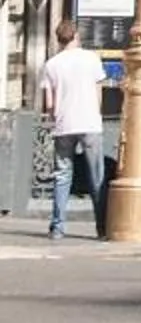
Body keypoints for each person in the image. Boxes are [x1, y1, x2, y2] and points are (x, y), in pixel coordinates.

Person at [39, 20, 106, 239]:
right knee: (96, 176)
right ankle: (102, 227)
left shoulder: (52, 64)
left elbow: (49, 103)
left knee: (62, 176)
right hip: (89, 122)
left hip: (64, 124)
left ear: (59, 39)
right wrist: (96, 113)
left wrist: (53, 118)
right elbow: (98, 92)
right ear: (76, 35)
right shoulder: (92, 59)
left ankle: (58, 227)